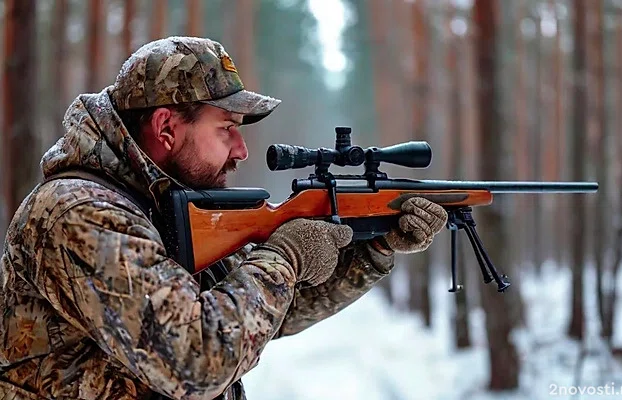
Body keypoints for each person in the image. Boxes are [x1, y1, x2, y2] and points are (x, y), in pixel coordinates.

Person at [0, 36, 447, 400]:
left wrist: (375, 248)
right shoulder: (81, 213)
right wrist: (285, 256)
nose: (241, 149)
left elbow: (259, 314)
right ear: (166, 128)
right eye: (226, 128)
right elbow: (198, 358)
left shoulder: (162, 203)